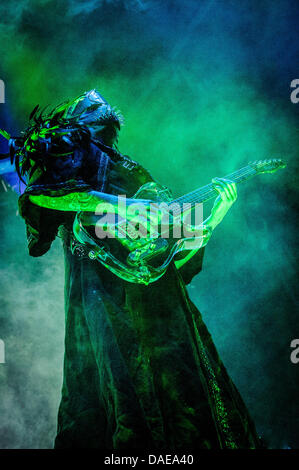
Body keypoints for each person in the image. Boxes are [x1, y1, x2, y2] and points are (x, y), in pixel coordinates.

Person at [9, 89, 262, 449]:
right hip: (108, 300)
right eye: (88, 100)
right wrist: (119, 205)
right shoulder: (70, 148)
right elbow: (39, 194)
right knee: (120, 399)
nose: (98, 98)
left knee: (186, 406)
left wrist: (214, 219)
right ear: (74, 119)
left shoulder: (133, 170)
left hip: (165, 313)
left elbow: (178, 259)